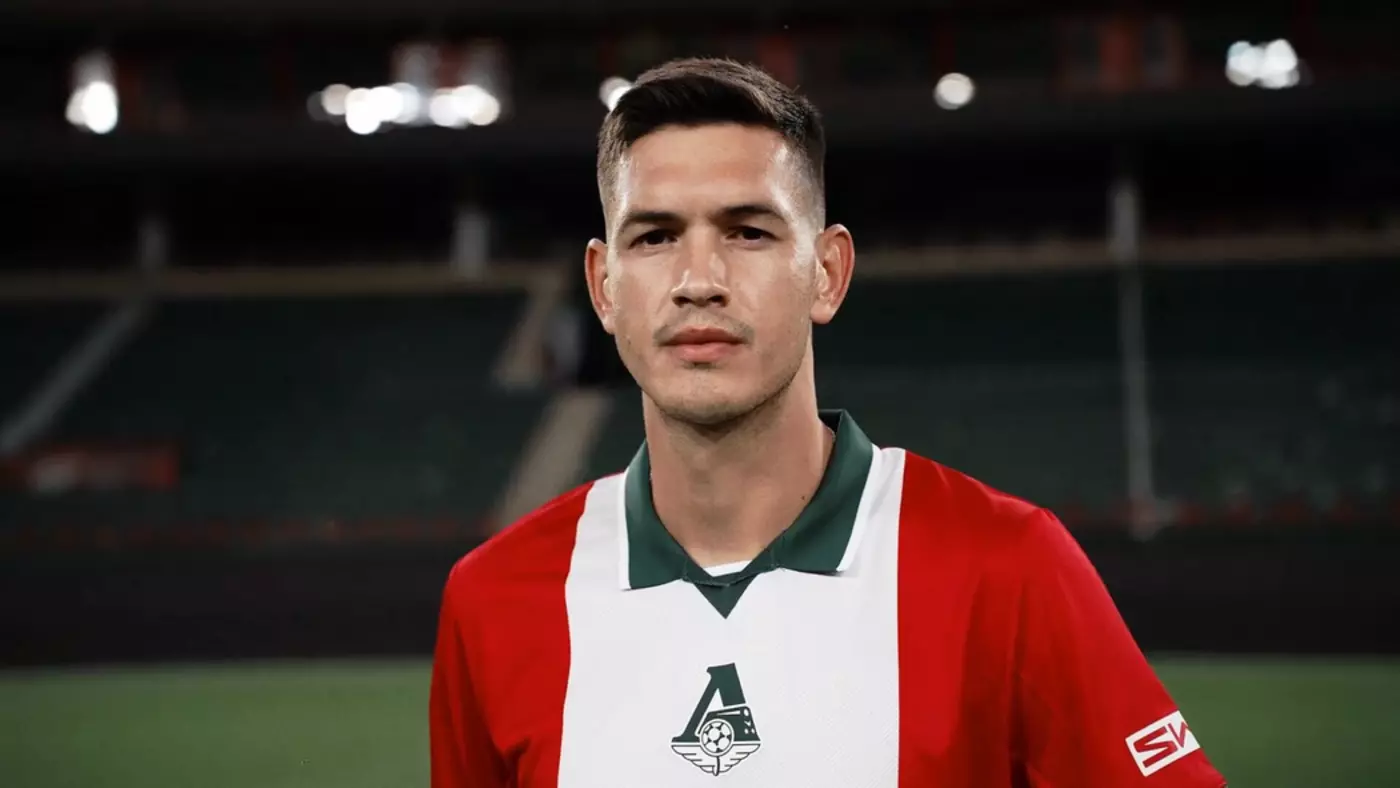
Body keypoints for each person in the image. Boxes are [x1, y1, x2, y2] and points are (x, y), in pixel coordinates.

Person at [430, 57, 1226, 787]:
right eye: (656, 236)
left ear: (827, 273)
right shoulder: (493, 600)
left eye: (748, 231)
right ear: (604, 287)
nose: (699, 279)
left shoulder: (1008, 567)